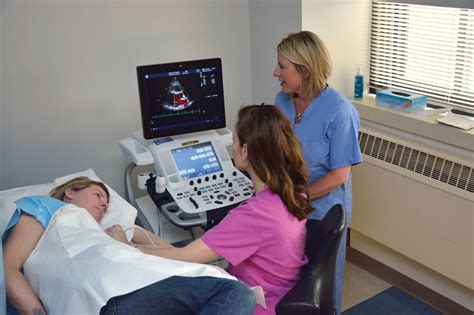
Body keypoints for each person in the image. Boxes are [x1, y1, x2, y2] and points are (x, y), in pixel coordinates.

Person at [116, 104, 313, 315]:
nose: (233, 147)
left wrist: (128, 248)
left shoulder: (255, 214)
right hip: (282, 290)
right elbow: (188, 254)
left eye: (235, 141)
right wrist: (136, 234)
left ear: (245, 151)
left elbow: (185, 256)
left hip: (258, 304)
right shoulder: (292, 191)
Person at [3, 176, 255, 315]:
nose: (104, 205)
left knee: (235, 292)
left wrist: (124, 240)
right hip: (108, 293)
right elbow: (9, 268)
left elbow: (170, 253)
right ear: (70, 192)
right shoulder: (47, 208)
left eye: (107, 203)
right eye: (98, 195)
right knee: (234, 293)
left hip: (129, 290)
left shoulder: (101, 234)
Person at [273, 30, 363, 314]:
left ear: (306, 71)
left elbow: (339, 174)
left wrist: (298, 196)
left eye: (282, 67)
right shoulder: (282, 101)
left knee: (320, 286)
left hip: (323, 212)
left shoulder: (339, 112)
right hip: (288, 205)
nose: (276, 72)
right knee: (287, 277)